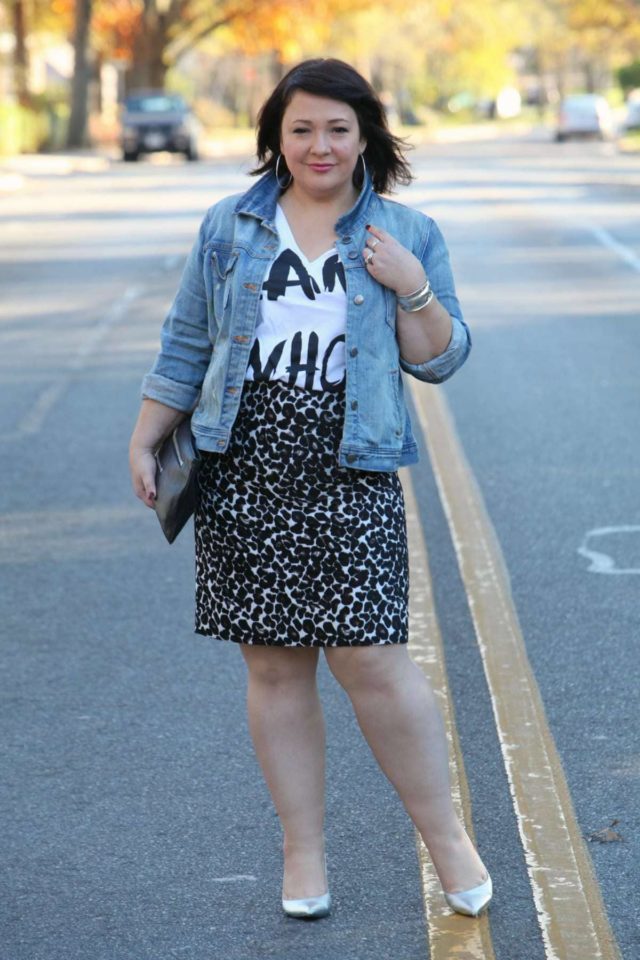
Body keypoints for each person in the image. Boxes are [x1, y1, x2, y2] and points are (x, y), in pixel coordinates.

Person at [128, 58, 492, 921]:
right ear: (276, 138)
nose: (320, 145)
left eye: (337, 128)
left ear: (365, 133)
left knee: (370, 656)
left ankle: (447, 838)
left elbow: (440, 358)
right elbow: (186, 343)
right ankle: (303, 851)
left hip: (350, 461)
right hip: (243, 461)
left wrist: (413, 283)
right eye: (302, 129)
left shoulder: (405, 230)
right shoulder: (230, 226)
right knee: (274, 664)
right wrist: (144, 439)